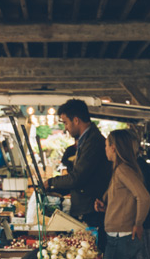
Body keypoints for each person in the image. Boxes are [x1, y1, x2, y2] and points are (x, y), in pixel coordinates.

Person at [93, 129, 150, 259]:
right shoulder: (121, 169)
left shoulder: (123, 169)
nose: (105, 150)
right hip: (121, 236)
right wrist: (105, 204)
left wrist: (138, 223)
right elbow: (123, 198)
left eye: (106, 145)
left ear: (114, 148)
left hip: (121, 237)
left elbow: (143, 197)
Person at [45, 99, 112, 240]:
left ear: (76, 120)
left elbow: (78, 177)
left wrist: (51, 182)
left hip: (92, 209)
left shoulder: (93, 142)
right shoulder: (86, 140)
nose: (66, 128)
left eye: (65, 122)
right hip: (88, 207)